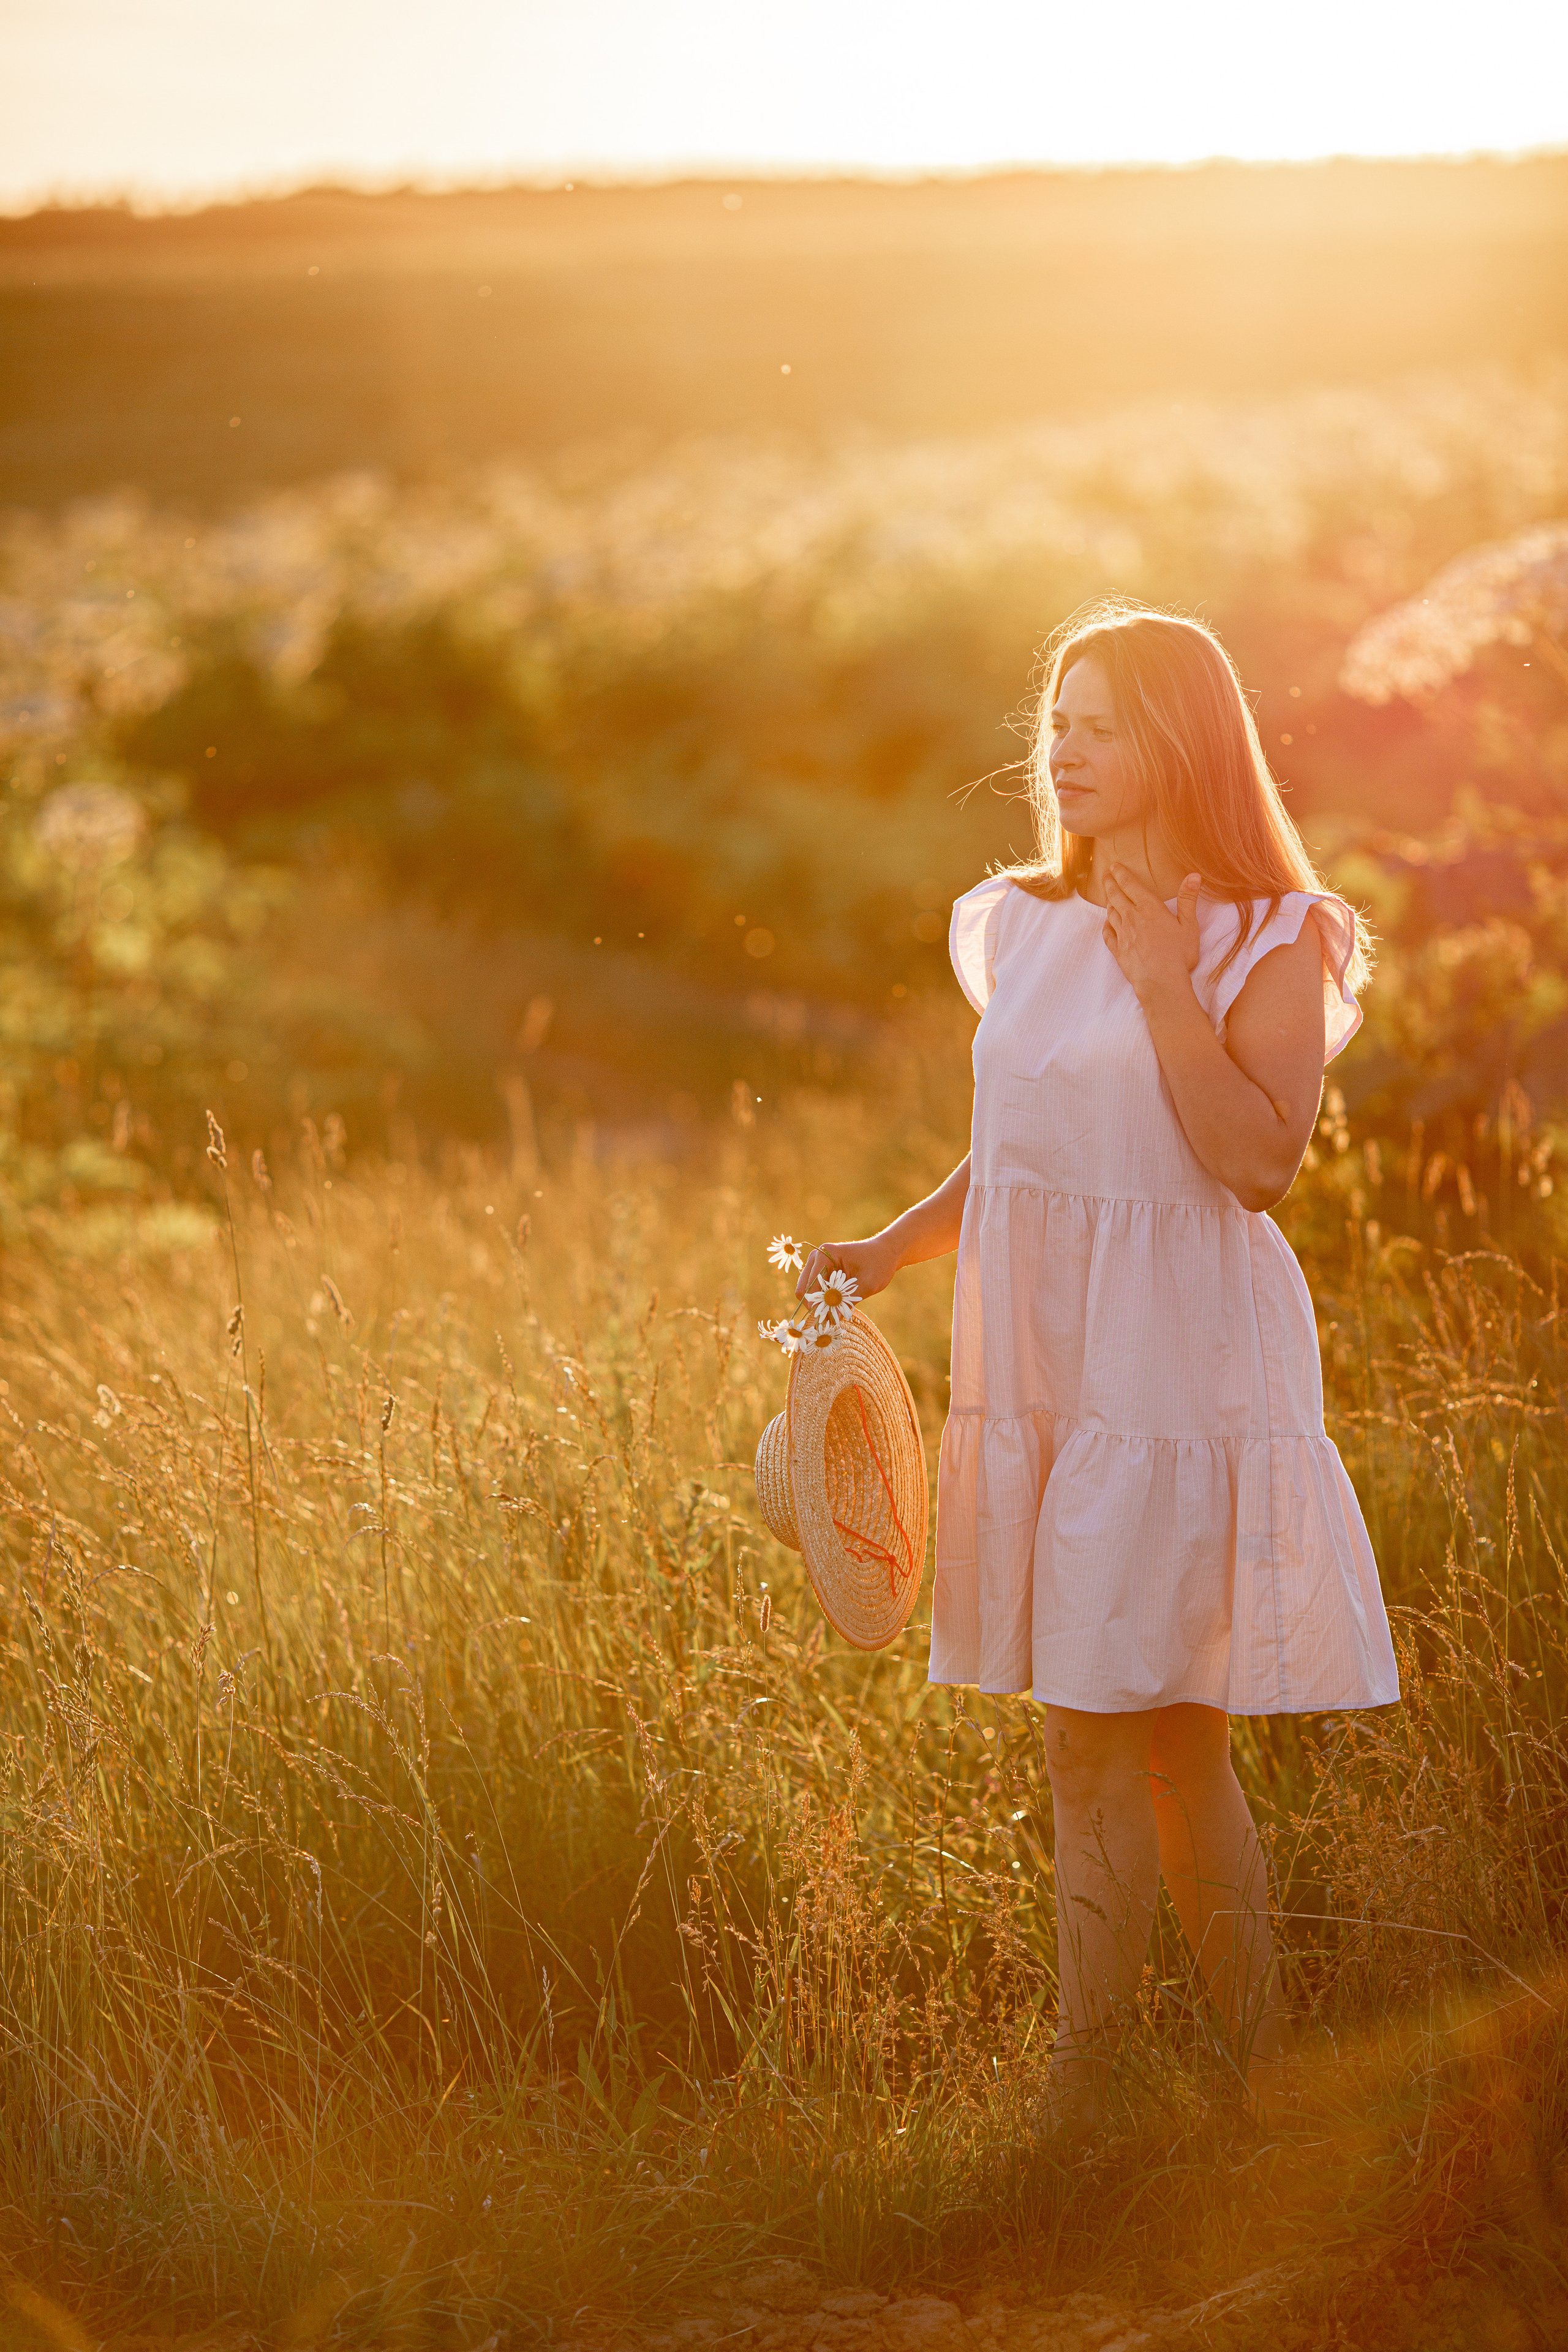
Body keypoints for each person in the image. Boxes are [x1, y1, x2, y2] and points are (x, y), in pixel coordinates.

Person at [796, 600, 1398, 2131]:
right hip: (1052, 1367)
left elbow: (1257, 1162)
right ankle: (1137, 2087)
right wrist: (880, 1249)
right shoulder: (1016, 920)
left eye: (1101, 726)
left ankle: (1174, 2089)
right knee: (1100, 1738)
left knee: (1156, 1738)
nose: (1062, 752)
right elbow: (1020, 1149)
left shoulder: (1276, 934)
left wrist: (1162, 987)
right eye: (1055, 724)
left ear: (1182, 744)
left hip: (1176, 1373)